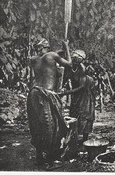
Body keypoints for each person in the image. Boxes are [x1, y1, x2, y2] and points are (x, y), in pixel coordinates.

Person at [27, 38, 72, 170]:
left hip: (34, 93)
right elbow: (69, 64)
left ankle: (39, 156)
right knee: (52, 127)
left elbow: (46, 63)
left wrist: (59, 52)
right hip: (46, 94)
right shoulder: (52, 55)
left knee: (36, 125)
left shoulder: (33, 59)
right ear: (47, 48)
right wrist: (67, 47)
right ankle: (51, 161)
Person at [59, 50, 95, 143]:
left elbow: (82, 87)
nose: (75, 61)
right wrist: (61, 88)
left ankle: (85, 140)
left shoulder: (82, 69)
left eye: (78, 59)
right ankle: (74, 138)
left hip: (84, 95)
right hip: (76, 95)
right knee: (74, 114)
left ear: (81, 60)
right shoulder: (68, 68)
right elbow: (65, 79)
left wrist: (67, 92)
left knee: (85, 115)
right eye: (74, 58)